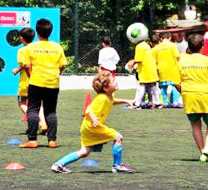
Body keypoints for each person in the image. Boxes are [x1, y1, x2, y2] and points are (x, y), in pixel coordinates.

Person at [51, 71, 135, 173]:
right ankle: (117, 166)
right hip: (94, 127)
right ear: (105, 88)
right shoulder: (101, 98)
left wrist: (127, 101)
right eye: (113, 81)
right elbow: (88, 109)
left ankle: (58, 164)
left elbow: (112, 101)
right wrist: (93, 118)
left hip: (86, 127)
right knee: (118, 137)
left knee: (84, 152)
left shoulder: (108, 96)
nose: (116, 82)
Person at [174, 33, 208, 162]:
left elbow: (176, 82)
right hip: (206, 95)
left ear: (188, 47)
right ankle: (207, 148)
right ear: (202, 46)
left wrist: (184, 92)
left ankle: (202, 152)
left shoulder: (182, 62)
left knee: (195, 124)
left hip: (189, 96)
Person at [19, 18, 68, 148]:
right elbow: (62, 65)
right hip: (53, 83)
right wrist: (55, 74)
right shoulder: (57, 47)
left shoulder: (31, 47)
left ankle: (32, 140)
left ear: (37, 31)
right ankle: (52, 140)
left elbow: (27, 66)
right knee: (51, 111)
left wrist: (31, 77)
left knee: (33, 109)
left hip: (36, 81)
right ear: (50, 32)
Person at [11, 28, 47, 134]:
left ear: (21, 39)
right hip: (39, 79)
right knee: (37, 104)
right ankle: (44, 123)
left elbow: (25, 65)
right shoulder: (37, 48)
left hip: (26, 80)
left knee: (21, 102)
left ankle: (37, 121)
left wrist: (17, 69)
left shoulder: (22, 50)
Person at [128, 35, 161, 109]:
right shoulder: (149, 47)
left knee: (142, 85)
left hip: (144, 69)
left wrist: (132, 64)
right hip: (152, 68)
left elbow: (138, 59)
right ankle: (158, 103)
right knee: (153, 85)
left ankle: (138, 104)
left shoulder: (139, 46)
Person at [154, 32, 181, 107]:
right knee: (174, 85)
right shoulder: (173, 46)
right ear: (170, 38)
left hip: (161, 69)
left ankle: (165, 102)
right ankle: (175, 102)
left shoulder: (157, 47)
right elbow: (177, 57)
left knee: (163, 87)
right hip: (173, 69)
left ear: (161, 38)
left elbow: (154, 60)